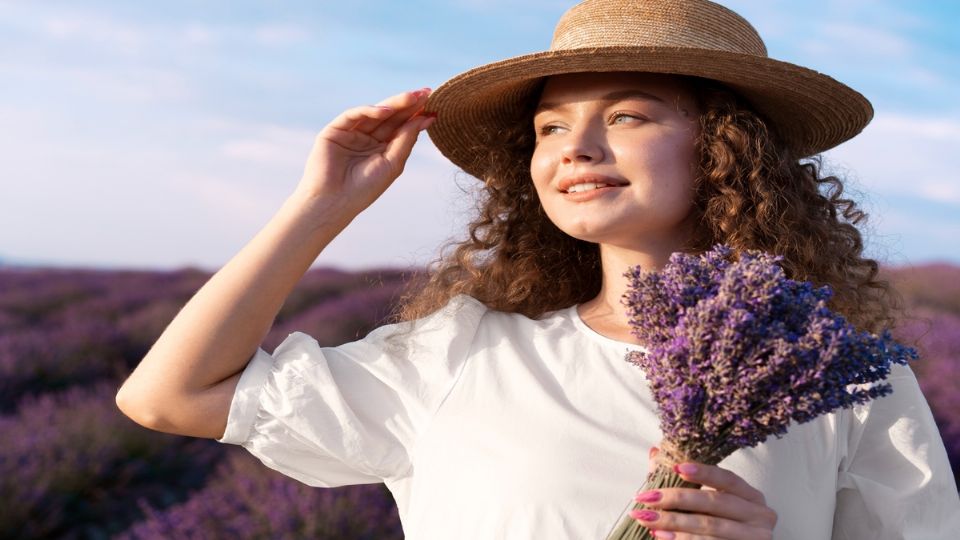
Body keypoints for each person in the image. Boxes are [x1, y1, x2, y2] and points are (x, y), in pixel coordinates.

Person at [116, 0, 960, 538]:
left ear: (725, 147)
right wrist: (321, 206)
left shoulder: (839, 380)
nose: (577, 148)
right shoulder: (458, 354)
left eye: (627, 114)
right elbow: (167, 397)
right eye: (551, 127)